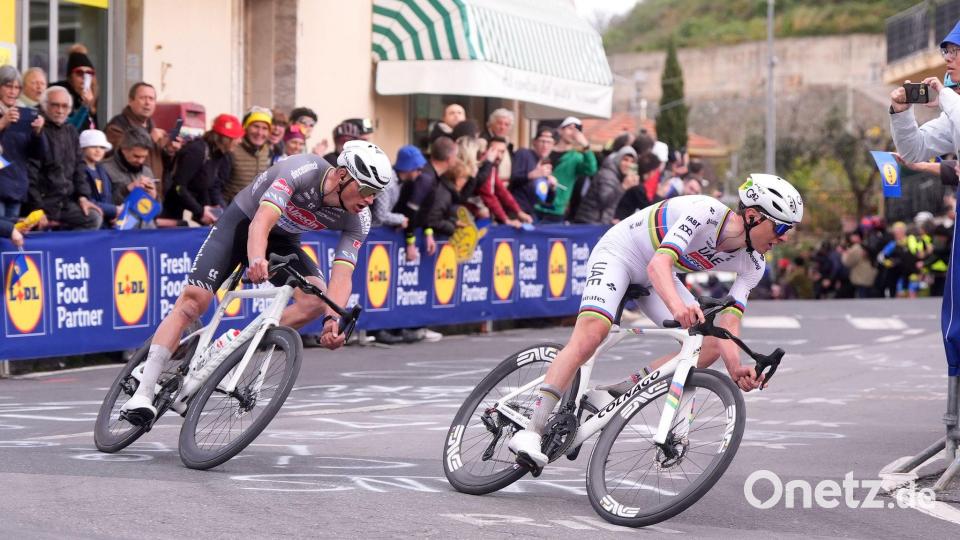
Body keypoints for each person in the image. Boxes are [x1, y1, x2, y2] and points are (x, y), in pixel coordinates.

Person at [508, 173, 804, 470]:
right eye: (780, 227)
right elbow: (658, 263)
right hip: (620, 255)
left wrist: (736, 367)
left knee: (709, 344)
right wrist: (678, 307)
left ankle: (613, 393)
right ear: (752, 216)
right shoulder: (706, 212)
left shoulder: (754, 263)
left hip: (655, 279)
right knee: (591, 335)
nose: (784, 237)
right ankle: (531, 431)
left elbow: (729, 318)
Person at [120, 141, 394, 424]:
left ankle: (232, 346)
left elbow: (343, 274)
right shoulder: (302, 170)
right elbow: (261, 222)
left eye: (376, 193)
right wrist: (255, 259)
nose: (370, 199)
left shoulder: (359, 218)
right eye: (366, 189)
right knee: (193, 303)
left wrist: (331, 321)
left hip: (283, 240)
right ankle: (143, 391)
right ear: (341, 175)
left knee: (315, 299)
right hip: (241, 225)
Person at [26, 86, 102, 230]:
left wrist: (83, 197)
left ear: (69, 109)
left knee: (93, 217)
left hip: (67, 202)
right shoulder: (36, 130)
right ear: (44, 105)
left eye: (64, 106)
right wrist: (36, 208)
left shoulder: (71, 131)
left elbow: (79, 168)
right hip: (42, 203)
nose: (60, 110)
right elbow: (31, 174)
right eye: (55, 105)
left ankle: (76, 253)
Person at [161, 114, 241, 226]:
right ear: (225, 139)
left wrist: (217, 208)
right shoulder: (197, 151)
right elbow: (179, 186)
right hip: (175, 214)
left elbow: (210, 186)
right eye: (236, 138)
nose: (239, 141)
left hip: (194, 213)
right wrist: (200, 211)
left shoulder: (220, 155)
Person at [104, 82, 181, 185]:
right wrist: (150, 139)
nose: (147, 103)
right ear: (130, 101)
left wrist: (169, 150)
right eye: (143, 98)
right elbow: (117, 156)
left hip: (153, 192)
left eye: (151, 99)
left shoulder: (153, 127)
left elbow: (164, 166)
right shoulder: (117, 126)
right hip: (127, 191)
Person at [0, 65, 45, 219]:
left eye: (17, 87)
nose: (13, 92)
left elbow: (37, 155)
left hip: (16, 186)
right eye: (8, 86)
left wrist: (38, 134)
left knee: (10, 239)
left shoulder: (24, 113)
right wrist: (2, 123)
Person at [534, 116, 597, 223]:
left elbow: (591, 169)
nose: (574, 132)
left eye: (577, 130)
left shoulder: (576, 157)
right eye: (570, 128)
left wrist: (586, 145)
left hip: (556, 209)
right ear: (560, 129)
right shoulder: (545, 149)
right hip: (534, 204)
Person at [101, 128, 161, 225]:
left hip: (146, 233)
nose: (141, 161)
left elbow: (157, 212)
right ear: (124, 149)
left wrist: (154, 198)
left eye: (144, 157)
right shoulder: (105, 169)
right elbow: (102, 205)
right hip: (120, 234)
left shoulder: (147, 171)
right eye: (136, 156)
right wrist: (126, 190)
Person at [573, 145, 640, 225]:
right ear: (618, 159)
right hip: (589, 222)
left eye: (632, 161)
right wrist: (623, 186)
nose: (628, 164)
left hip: (597, 221)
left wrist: (610, 219)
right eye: (625, 160)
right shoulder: (608, 175)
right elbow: (605, 201)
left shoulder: (617, 175)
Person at [224, 106, 273, 202]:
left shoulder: (268, 151)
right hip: (230, 210)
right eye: (256, 126)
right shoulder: (232, 150)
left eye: (264, 128)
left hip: (255, 213)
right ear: (245, 127)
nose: (260, 132)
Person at [510, 127, 558, 217]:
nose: (545, 146)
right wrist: (531, 175)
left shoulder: (545, 163)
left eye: (549, 142)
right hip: (515, 210)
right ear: (534, 142)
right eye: (542, 141)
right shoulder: (524, 153)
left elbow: (547, 201)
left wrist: (552, 188)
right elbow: (513, 179)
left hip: (531, 212)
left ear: (553, 145)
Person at [78, 129, 119, 226]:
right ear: (82, 148)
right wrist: (114, 210)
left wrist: (114, 214)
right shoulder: (79, 170)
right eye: (93, 146)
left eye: (102, 147)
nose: (98, 150)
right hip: (92, 221)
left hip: (106, 222)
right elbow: (87, 200)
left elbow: (108, 196)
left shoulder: (102, 170)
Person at [51, 47, 98, 129]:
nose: (84, 78)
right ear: (71, 76)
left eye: (89, 73)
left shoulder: (91, 95)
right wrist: (85, 105)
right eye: (79, 73)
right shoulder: (61, 93)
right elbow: (67, 129)